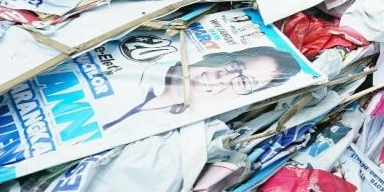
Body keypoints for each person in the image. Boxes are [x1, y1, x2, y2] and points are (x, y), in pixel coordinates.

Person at [103, 46, 302, 128]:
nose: (222, 76)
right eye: (235, 66)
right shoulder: (136, 66)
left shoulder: (176, 130)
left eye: (242, 82)